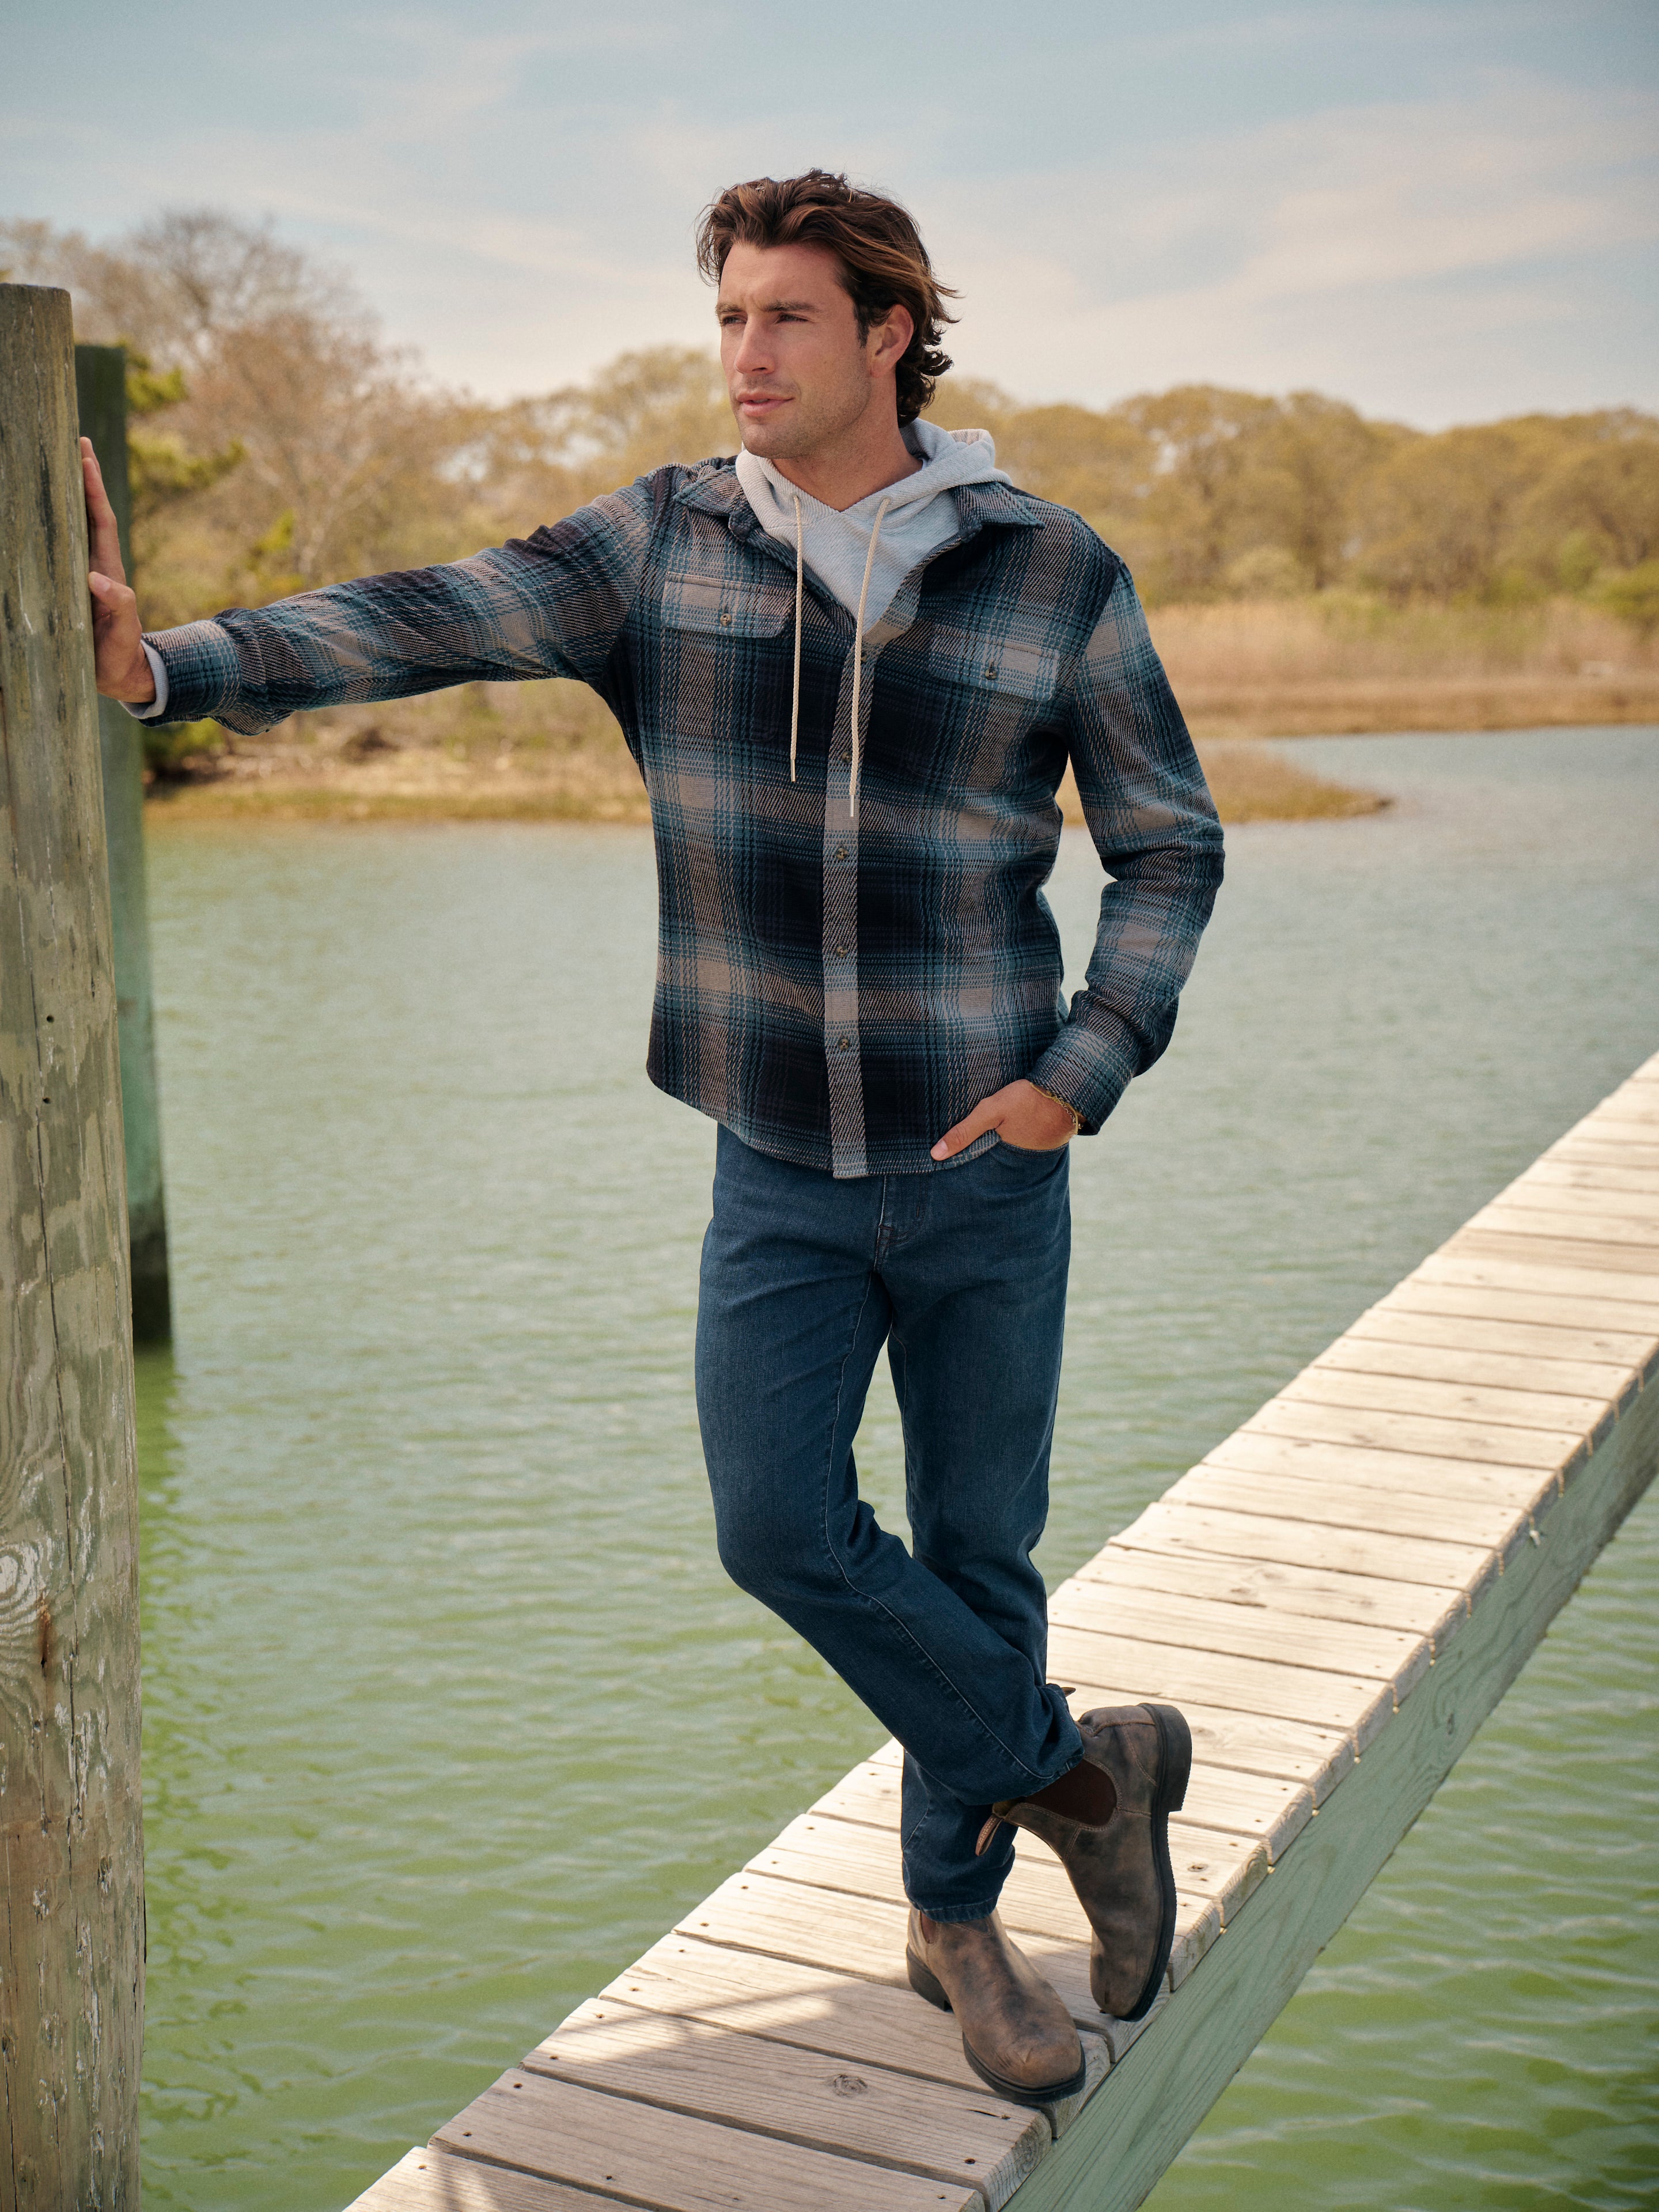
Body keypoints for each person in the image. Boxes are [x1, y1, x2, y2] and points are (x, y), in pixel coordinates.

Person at [85, 169, 1224, 2108]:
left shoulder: (1050, 565)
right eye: (728, 319)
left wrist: (1082, 1067)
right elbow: (430, 615)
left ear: (890, 334)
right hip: (773, 1162)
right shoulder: (664, 547)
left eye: (785, 318)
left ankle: (958, 1914)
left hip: (990, 1164)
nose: (743, 355)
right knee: (778, 1528)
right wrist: (175, 664)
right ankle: (1086, 1780)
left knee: (977, 1547)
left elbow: (1168, 842)